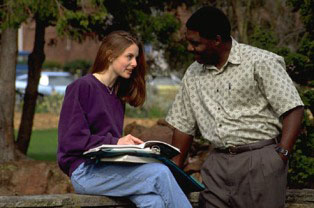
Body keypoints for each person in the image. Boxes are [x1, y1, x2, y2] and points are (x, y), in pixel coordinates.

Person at [166, 6, 304, 208]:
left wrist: (281, 155)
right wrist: (173, 170)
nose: (189, 48)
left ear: (217, 40)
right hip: (217, 165)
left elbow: (293, 108)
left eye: (195, 43)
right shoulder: (193, 74)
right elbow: (183, 124)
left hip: (260, 163)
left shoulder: (261, 61)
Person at [58, 30, 192, 208]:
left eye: (135, 58)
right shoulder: (82, 86)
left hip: (110, 169)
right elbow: (71, 141)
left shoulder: (117, 96)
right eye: (129, 57)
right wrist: (117, 141)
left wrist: (136, 151)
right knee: (159, 173)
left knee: (154, 202)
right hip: (85, 172)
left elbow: (110, 146)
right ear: (109, 55)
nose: (134, 63)